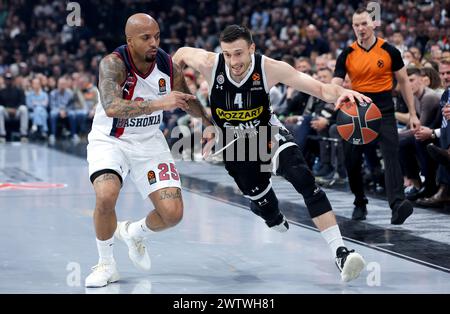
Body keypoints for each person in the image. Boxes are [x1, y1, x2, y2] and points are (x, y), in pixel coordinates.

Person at [173, 25, 368, 282]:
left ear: (252, 49)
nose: (233, 61)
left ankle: (341, 253)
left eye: (239, 54)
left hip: (267, 134)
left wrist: (341, 92)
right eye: (228, 54)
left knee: (304, 179)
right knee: (266, 207)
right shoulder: (210, 63)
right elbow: (179, 55)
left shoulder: (269, 68)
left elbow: (320, 90)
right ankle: (269, 212)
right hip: (236, 144)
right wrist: (194, 106)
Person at [85, 13, 207, 288]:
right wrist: (161, 103)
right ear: (129, 41)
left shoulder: (166, 63)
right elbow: (113, 106)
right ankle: (106, 264)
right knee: (106, 196)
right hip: (111, 140)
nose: (154, 42)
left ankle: (134, 232)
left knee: (173, 214)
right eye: (146, 38)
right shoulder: (113, 64)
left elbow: (186, 99)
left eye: (157, 36)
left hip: (150, 141)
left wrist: (211, 124)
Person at [331, 8, 420, 223]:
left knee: (391, 152)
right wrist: (336, 93)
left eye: (364, 24)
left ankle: (397, 205)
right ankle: (360, 201)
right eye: (356, 25)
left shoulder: (389, 50)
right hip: (356, 109)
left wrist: (412, 114)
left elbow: (404, 82)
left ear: (373, 24)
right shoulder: (347, 54)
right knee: (351, 159)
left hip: (383, 108)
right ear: (352, 27)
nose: (360, 29)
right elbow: (335, 81)